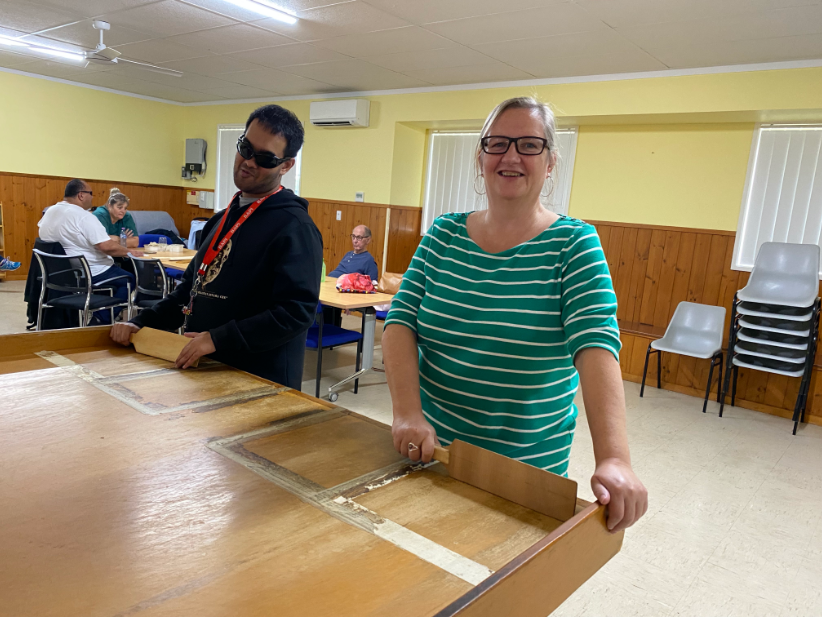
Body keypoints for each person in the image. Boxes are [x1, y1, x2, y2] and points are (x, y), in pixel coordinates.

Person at [383, 97, 647, 533]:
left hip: (525, 474)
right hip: (430, 455)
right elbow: (400, 323)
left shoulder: (573, 245)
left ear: (550, 163)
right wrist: (407, 412)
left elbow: (595, 346)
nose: (510, 156)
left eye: (529, 145)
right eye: (498, 143)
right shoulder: (443, 235)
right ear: (480, 157)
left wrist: (615, 458)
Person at [110, 104, 323, 389]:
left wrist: (216, 338)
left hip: (261, 381)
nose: (249, 161)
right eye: (246, 148)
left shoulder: (295, 228)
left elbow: (296, 313)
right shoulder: (220, 221)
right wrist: (141, 322)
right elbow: (189, 292)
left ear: (286, 165)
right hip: (206, 371)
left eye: (264, 158)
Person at [39, 179, 142, 323]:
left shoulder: (50, 212)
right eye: (91, 193)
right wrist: (129, 252)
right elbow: (107, 246)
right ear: (81, 195)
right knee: (130, 279)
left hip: (59, 273)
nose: (92, 197)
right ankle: (100, 320)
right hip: (91, 272)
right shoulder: (84, 217)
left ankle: (104, 314)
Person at [324, 225, 380, 326]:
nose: (355, 240)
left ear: (368, 240)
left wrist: (349, 300)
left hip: (340, 291)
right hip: (329, 285)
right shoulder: (348, 254)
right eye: (353, 237)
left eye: (359, 238)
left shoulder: (369, 260)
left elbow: (372, 286)